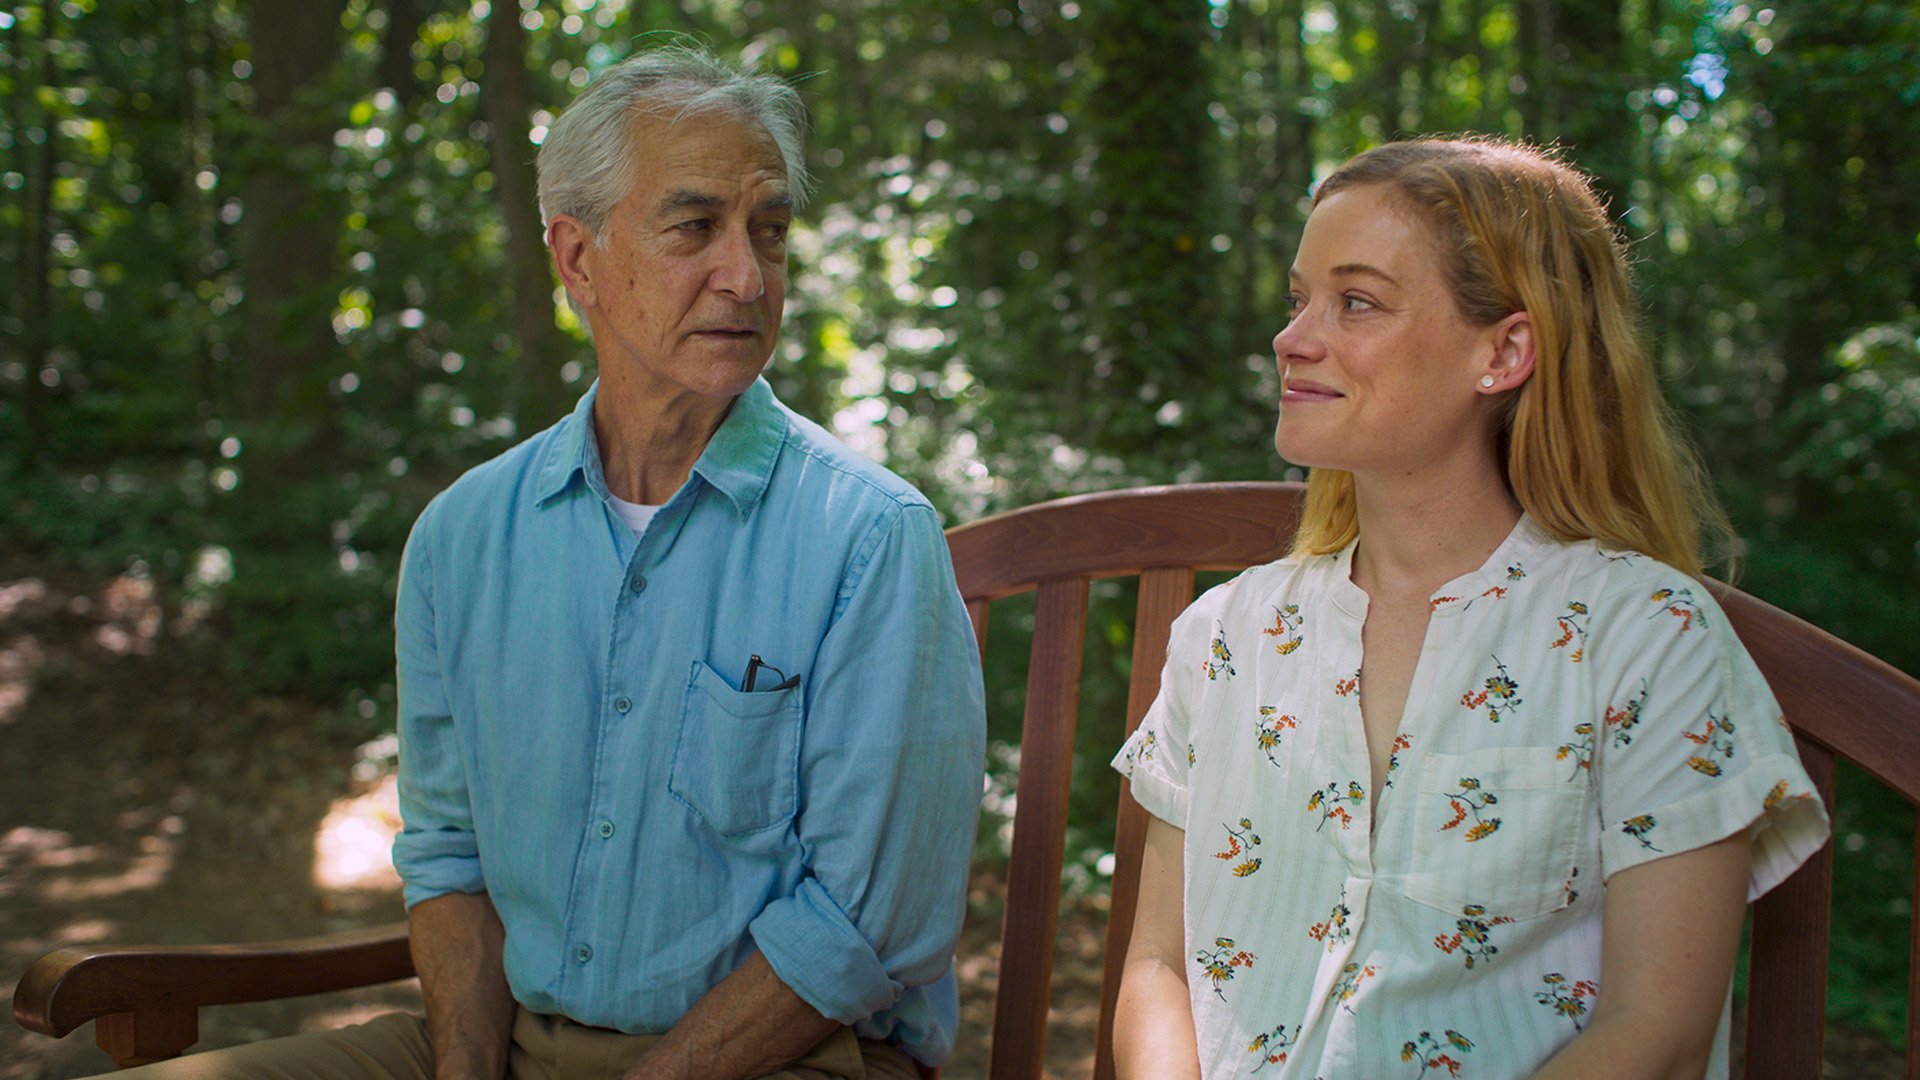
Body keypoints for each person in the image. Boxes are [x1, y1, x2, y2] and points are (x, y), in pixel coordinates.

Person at [104, 45, 986, 1080]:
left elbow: (865, 927)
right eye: (696, 227)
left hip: (791, 1057)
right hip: (510, 1048)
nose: (747, 274)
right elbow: (449, 858)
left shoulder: (870, 536)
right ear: (578, 260)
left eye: (771, 232)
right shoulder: (462, 538)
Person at [1109, 137, 1829, 1080]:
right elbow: (1158, 963)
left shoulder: (1645, 638)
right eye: (1300, 299)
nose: (1292, 337)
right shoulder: (1226, 638)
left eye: (1355, 301)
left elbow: (1656, 1031)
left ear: (1504, 351)